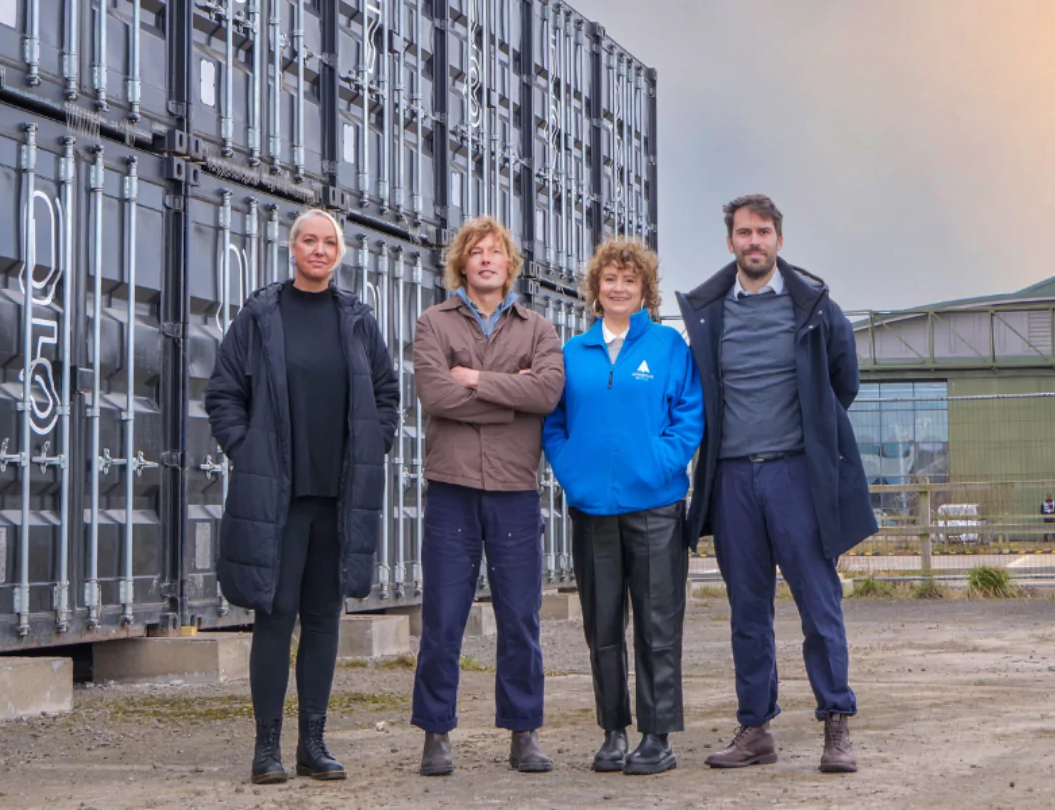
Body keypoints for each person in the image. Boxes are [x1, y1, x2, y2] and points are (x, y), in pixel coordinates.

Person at [676, 194, 878, 774]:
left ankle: (836, 724)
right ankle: (755, 727)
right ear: (731, 242)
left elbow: (843, 381)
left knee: (819, 604)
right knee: (748, 611)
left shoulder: (813, 306)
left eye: (763, 232)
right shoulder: (712, 312)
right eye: (744, 233)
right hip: (734, 477)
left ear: (779, 241)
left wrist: (807, 435)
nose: (754, 241)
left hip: (796, 476)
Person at [206, 208, 399, 784]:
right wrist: (250, 451)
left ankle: (313, 744)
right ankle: (266, 748)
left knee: (322, 619)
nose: (319, 249)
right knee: (273, 615)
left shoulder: (358, 320)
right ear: (292, 249)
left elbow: (387, 394)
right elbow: (223, 393)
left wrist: (374, 443)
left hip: (337, 497)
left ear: (340, 252)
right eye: (309, 240)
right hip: (278, 499)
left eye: (329, 242)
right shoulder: (262, 316)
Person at [410, 216, 565, 776]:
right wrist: (510, 394)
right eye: (475, 252)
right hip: (451, 489)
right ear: (462, 262)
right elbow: (435, 394)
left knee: (520, 618)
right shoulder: (433, 322)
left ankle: (524, 734)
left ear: (509, 264)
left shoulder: (538, 330)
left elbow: (547, 391)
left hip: (514, 490)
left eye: (495, 252)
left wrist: (473, 379)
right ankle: (435, 734)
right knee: (443, 618)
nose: (485, 260)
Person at [542, 239, 703, 775]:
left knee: (658, 626)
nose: (618, 288)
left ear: (644, 291)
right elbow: (554, 422)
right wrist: (572, 471)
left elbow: (689, 417)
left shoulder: (668, 348)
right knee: (603, 626)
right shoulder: (572, 353)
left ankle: (658, 736)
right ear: (595, 288)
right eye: (609, 279)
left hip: (655, 507)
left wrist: (661, 463)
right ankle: (613, 731)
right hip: (592, 509)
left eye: (629, 281)